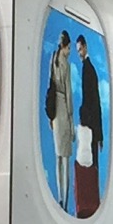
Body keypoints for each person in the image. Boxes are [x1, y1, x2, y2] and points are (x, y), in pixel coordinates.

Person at [73, 37, 104, 218]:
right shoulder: (90, 69)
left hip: (90, 125)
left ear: (85, 47)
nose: (79, 53)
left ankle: (88, 203)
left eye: (80, 49)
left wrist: (84, 119)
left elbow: (90, 100)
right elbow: (96, 103)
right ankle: (92, 202)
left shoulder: (87, 69)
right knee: (92, 166)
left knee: (87, 165)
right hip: (94, 126)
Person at [47, 31, 76, 209]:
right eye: (69, 47)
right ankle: (65, 199)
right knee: (66, 157)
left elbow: (50, 86)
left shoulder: (53, 59)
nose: (70, 51)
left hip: (54, 110)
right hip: (63, 108)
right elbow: (69, 93)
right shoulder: (66, 64)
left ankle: (59, 195)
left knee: (58, 156)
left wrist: (50, 115)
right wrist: (72, 121)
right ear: (66, 46)